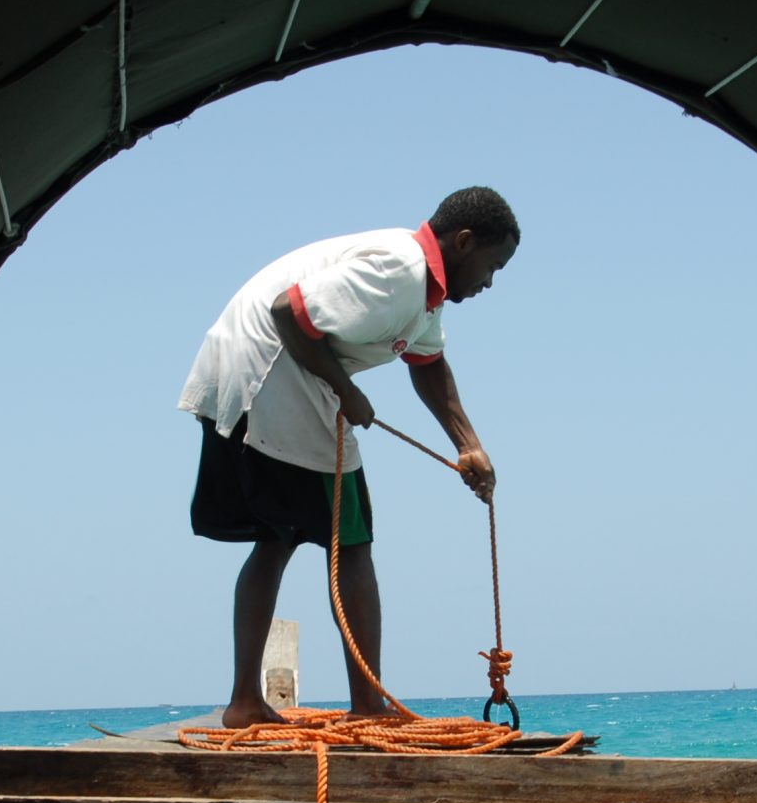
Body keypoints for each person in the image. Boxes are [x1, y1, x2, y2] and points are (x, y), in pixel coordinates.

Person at [181, 186, 520, 726]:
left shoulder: (423, 294)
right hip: (273, 374)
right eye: (492, 265)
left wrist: (468, 445)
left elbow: (429, 364)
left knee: (279, 535)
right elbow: (290, 313)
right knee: (353, 541)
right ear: (463, 242)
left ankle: (245, 702)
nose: (490, 282)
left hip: (246, 370)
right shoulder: (402, 271)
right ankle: (367, 707)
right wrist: (347, 389)